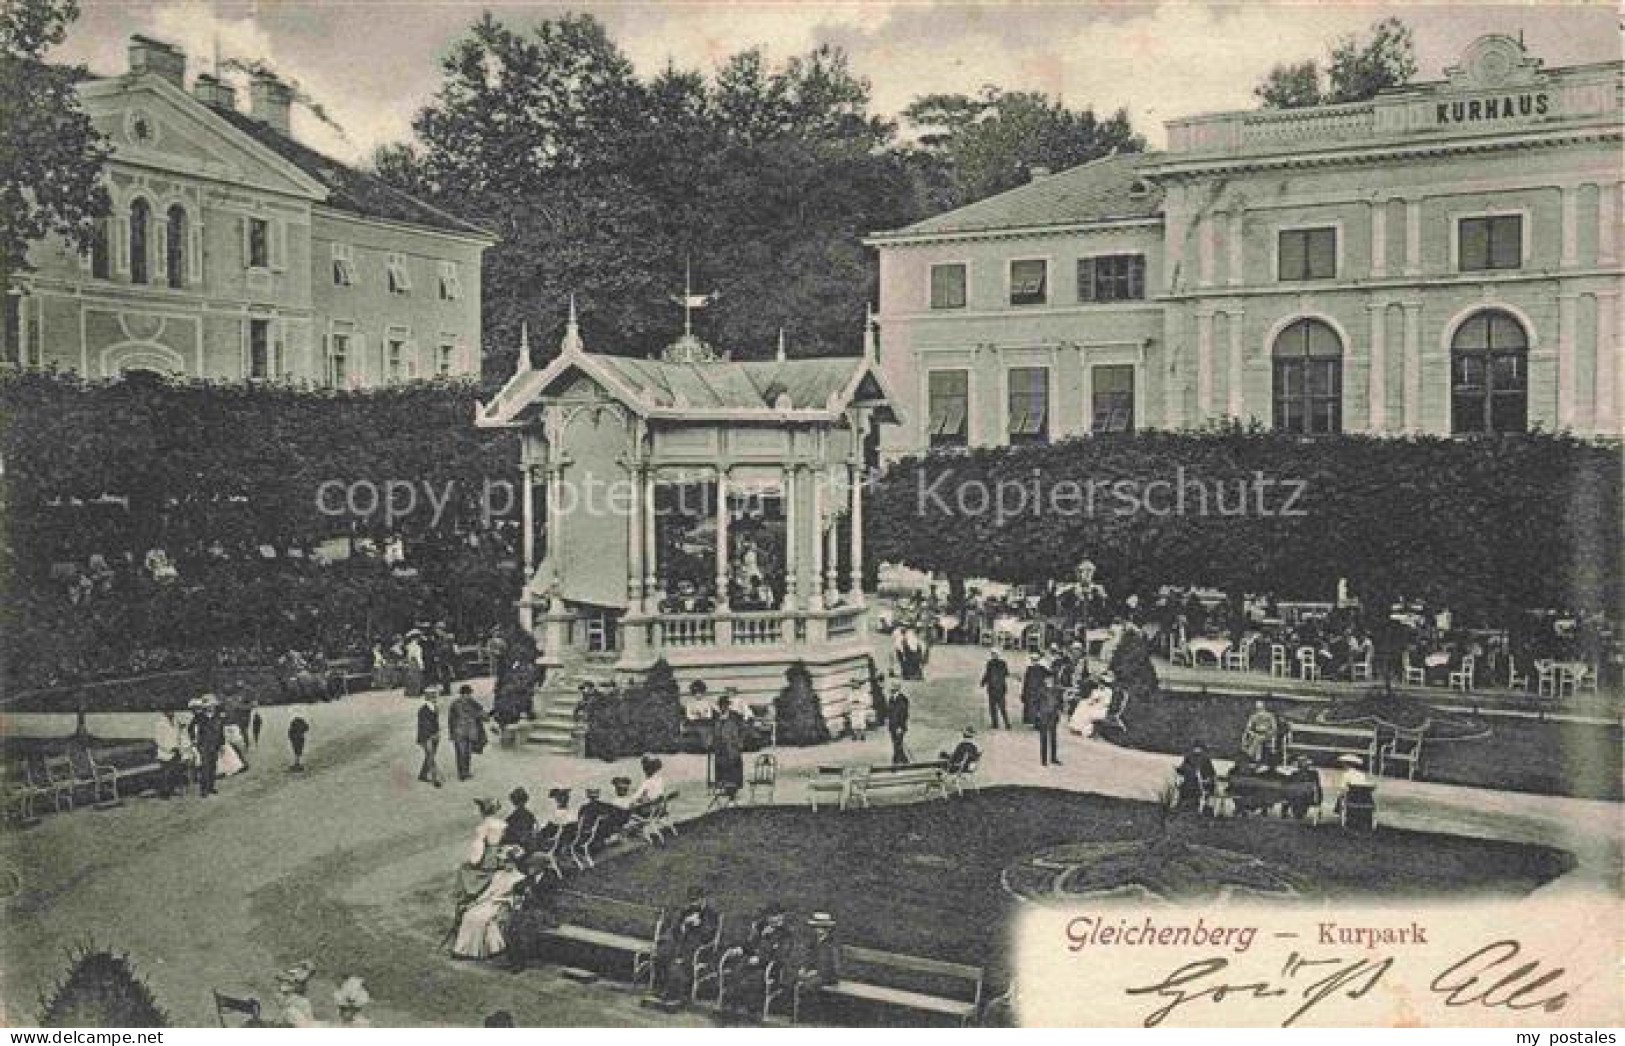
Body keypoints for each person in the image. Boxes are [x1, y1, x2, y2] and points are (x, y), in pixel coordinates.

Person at [452, 846, 527, 960]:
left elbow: (517, 899)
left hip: (502, 905)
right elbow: (488, 892)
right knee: (469, 915)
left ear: (513, 862)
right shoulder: (498, 875)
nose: (503, 864)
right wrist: (475, 902)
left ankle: (478, 952)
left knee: (481, 919)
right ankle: (463, 950)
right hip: (489, 902)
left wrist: (503, 901)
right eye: (502, 861)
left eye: (506, 861)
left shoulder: (520, 878)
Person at [655, 885, 719, 1003]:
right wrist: (684, 924)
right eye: (691, 900)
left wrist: (698, 925)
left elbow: (708, 936)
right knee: (663, 952)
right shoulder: (686, 910)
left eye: (696, 900)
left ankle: (674, 994)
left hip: (697, 947)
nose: (693, 903)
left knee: (682, 960)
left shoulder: (711, 914)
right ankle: (661, 988)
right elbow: (674, 928)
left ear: (702, 899)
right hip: (679, 942)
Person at [711, 691, 747, 799]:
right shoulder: (718, 718)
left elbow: (742, 730)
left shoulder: (735, 716)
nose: (723, 707)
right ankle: (725, 787)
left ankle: (733, 791)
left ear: (728, 705)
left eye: (725, 705)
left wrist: (739, 742)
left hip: (732, 746)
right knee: (722, 767)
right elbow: (715, 731)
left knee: (733, 768)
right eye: (721, 705)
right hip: (721, 747)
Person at [448, 684, 487, 781]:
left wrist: (484, 715)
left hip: (470, 732)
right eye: (467, 694)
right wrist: (451, 733)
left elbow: (481, 712)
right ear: (462, 694)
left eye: (469, 694)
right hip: (459, 733)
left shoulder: (473, 703)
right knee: (461, 754)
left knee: (468, 753)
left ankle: (466, 772)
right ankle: (461, 774)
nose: (469, 696)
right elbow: (451, 720)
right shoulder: (455, 704)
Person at [190, 695, 225, 797]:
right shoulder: (199, 717)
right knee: (205, 767)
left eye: (212, 705)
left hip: (215, 745)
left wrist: (222, 745)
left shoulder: (218, 717)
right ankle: (203, 790)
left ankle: (211, 787)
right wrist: (194, 741)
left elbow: (221, 732)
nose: (210, 707)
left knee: (213, 767)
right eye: (208, 705)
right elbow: (191, 729)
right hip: (204, 745)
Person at [274, 961, 319, 1028]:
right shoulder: (298, 971)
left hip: (297, 996)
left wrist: (289, 977)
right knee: (287, 1011)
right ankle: (279, 1023)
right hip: (292, 996)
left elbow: (301, 978)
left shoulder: (302, 973)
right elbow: (280, 975)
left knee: (305, 1012)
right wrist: (286, 976)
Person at [152, 709, 185, 798]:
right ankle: (164, 792)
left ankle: (172, 789)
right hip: (165, 752)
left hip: (176, 750)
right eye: (169, 711)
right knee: (166, 773)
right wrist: (168, 748)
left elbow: (178, 735)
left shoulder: (176, 722)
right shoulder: (160, 724)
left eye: (172, 711)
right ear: (165, 712)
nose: (171, 713)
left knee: (174, 771)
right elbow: (158, 740)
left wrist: (178, 746)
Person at [1174, 743, 1216, 811]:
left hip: (1198, 784)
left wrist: (1206, 781)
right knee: (1184, 794)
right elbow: (1182, 769)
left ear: (1201, 749)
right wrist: (1178, 770)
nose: (1197, 750)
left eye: (1198, 748)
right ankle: (1182, 807)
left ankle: (1195, 808)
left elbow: (1211, 773)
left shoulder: (1205, 760)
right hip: (1189, 783)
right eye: (1195, 748)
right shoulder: (1189, 758)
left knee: (1195, 798)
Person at [416, 692, 444, 787]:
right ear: (428, 698)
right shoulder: (423, 710)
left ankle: (423, 775)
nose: (435, 698)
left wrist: (437, 732)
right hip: (426, 737)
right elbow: (424, 726)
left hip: (434, 736)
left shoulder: (435, 707)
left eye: (435, 697)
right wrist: (430, 736)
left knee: (430, 756)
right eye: (433, 697)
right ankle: (434, 780)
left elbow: (435, 722)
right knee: (430, 757)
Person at [979, 649, 1010, 729]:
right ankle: (1004, 724)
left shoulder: (991, 663)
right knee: (999, 707)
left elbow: (987, 674)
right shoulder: (1002, 663)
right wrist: (983, 682)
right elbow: (1006, 673)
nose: (993, 655)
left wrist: (983, 682)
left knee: (996, 707)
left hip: (995, 688)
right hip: (998, 688)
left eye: (994, 654)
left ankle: (999, 724)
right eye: (993, 654)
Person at [1035, 680, 1062, 767]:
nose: (1049, 682)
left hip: (1053, 716)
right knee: (1044, 738)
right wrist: (1038, 713)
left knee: (1053, 738)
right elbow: (1035, 702)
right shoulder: (1041, 690)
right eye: (1047, 680)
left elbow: (1060, 702)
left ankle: (1053, 758)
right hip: (1043, 716)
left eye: (1051, 680)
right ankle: (1044, 760)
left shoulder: (1056, 691)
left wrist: (1058, 711)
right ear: (1045, 681)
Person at [1019, 656, 1050, 727]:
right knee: (1032, 707)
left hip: (1038, 691)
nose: (1034, 661)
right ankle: (1033, 722)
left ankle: (1037, 723)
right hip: (1031, 690)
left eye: (1035, 660)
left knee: (1037, 707)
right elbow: (1026, 681)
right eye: (1033, 660)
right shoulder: (1029, 669)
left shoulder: (1042, 668)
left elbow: (1049, 675)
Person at [885, 679, 910, 765]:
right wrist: (888, 720)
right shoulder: (891, 698)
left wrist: (900, 726)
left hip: (899, 726)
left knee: (897, 744)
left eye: (892, 688)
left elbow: (904, 714)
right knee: (896, 744)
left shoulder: (902, 699)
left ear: (897, 688)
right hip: (892, 726)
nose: (891, 689)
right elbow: (889, 712)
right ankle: (903, 760)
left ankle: (896, 761)